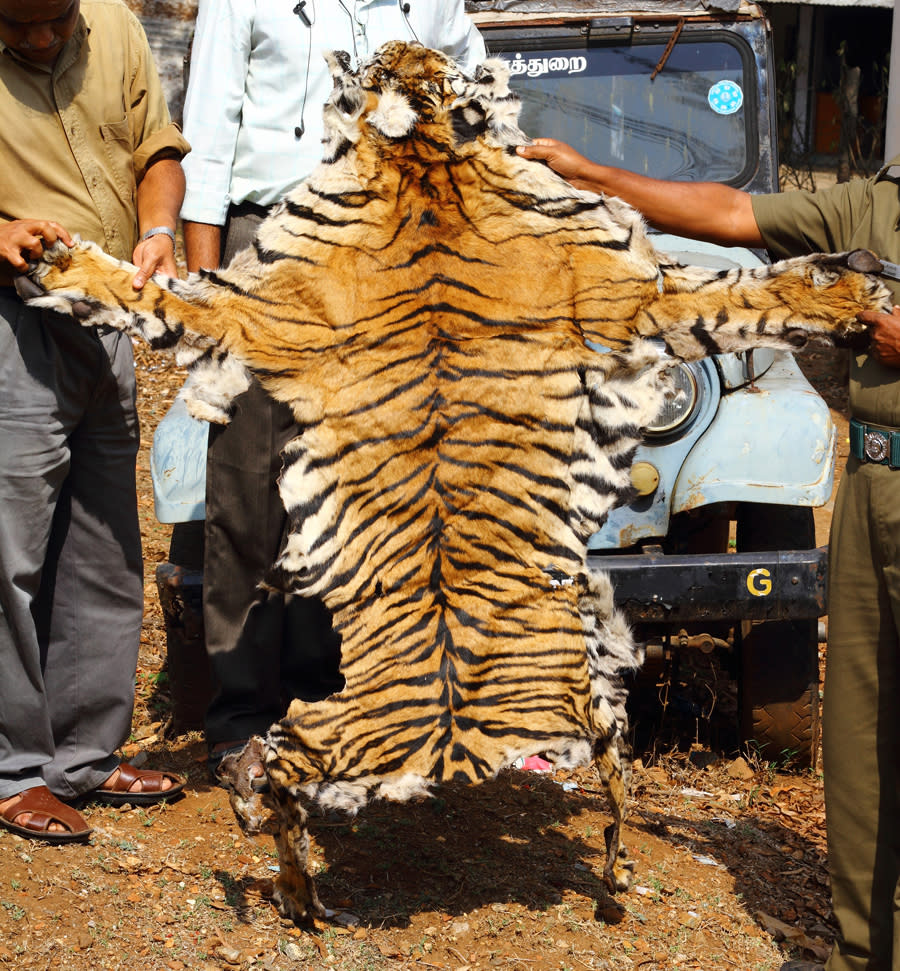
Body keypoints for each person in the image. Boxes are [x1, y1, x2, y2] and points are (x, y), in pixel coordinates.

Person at [516, 137, 900, 971]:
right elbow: (731, 213)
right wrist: (591, 175)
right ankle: (863, 950)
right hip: (872, 479)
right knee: (860, 738)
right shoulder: (874, 205)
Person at [179, 0, 486, 777]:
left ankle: (323, 700)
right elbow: (208, 142)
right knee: (251, 483)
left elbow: (475, 96)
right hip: (268, 239)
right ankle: (243, 715)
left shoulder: (432, 4)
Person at [0, 0, 190, 843]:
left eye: (52, 22)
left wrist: (157, 228)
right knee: (9, 554)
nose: (39, 39)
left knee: (105, 543)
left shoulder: (115, 25)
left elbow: (157, 150)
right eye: (16, 24)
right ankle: (10, 768)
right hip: (12, 322)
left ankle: (81, 753)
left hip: (104, 315)